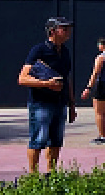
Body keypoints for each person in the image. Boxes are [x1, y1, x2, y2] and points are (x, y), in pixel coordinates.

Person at [18, 17, 77, 174]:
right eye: (64, 29)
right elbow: (23, 78)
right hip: (41, 102)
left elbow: (67, 78)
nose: (68, 32)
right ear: (53, 31)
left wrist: (72, 105)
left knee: (56, 140)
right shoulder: (39, 50)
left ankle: (51, 174)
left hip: (60, 103)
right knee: (38, 140)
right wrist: (47, 84)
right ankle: (33, 175)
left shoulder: (65, 51)